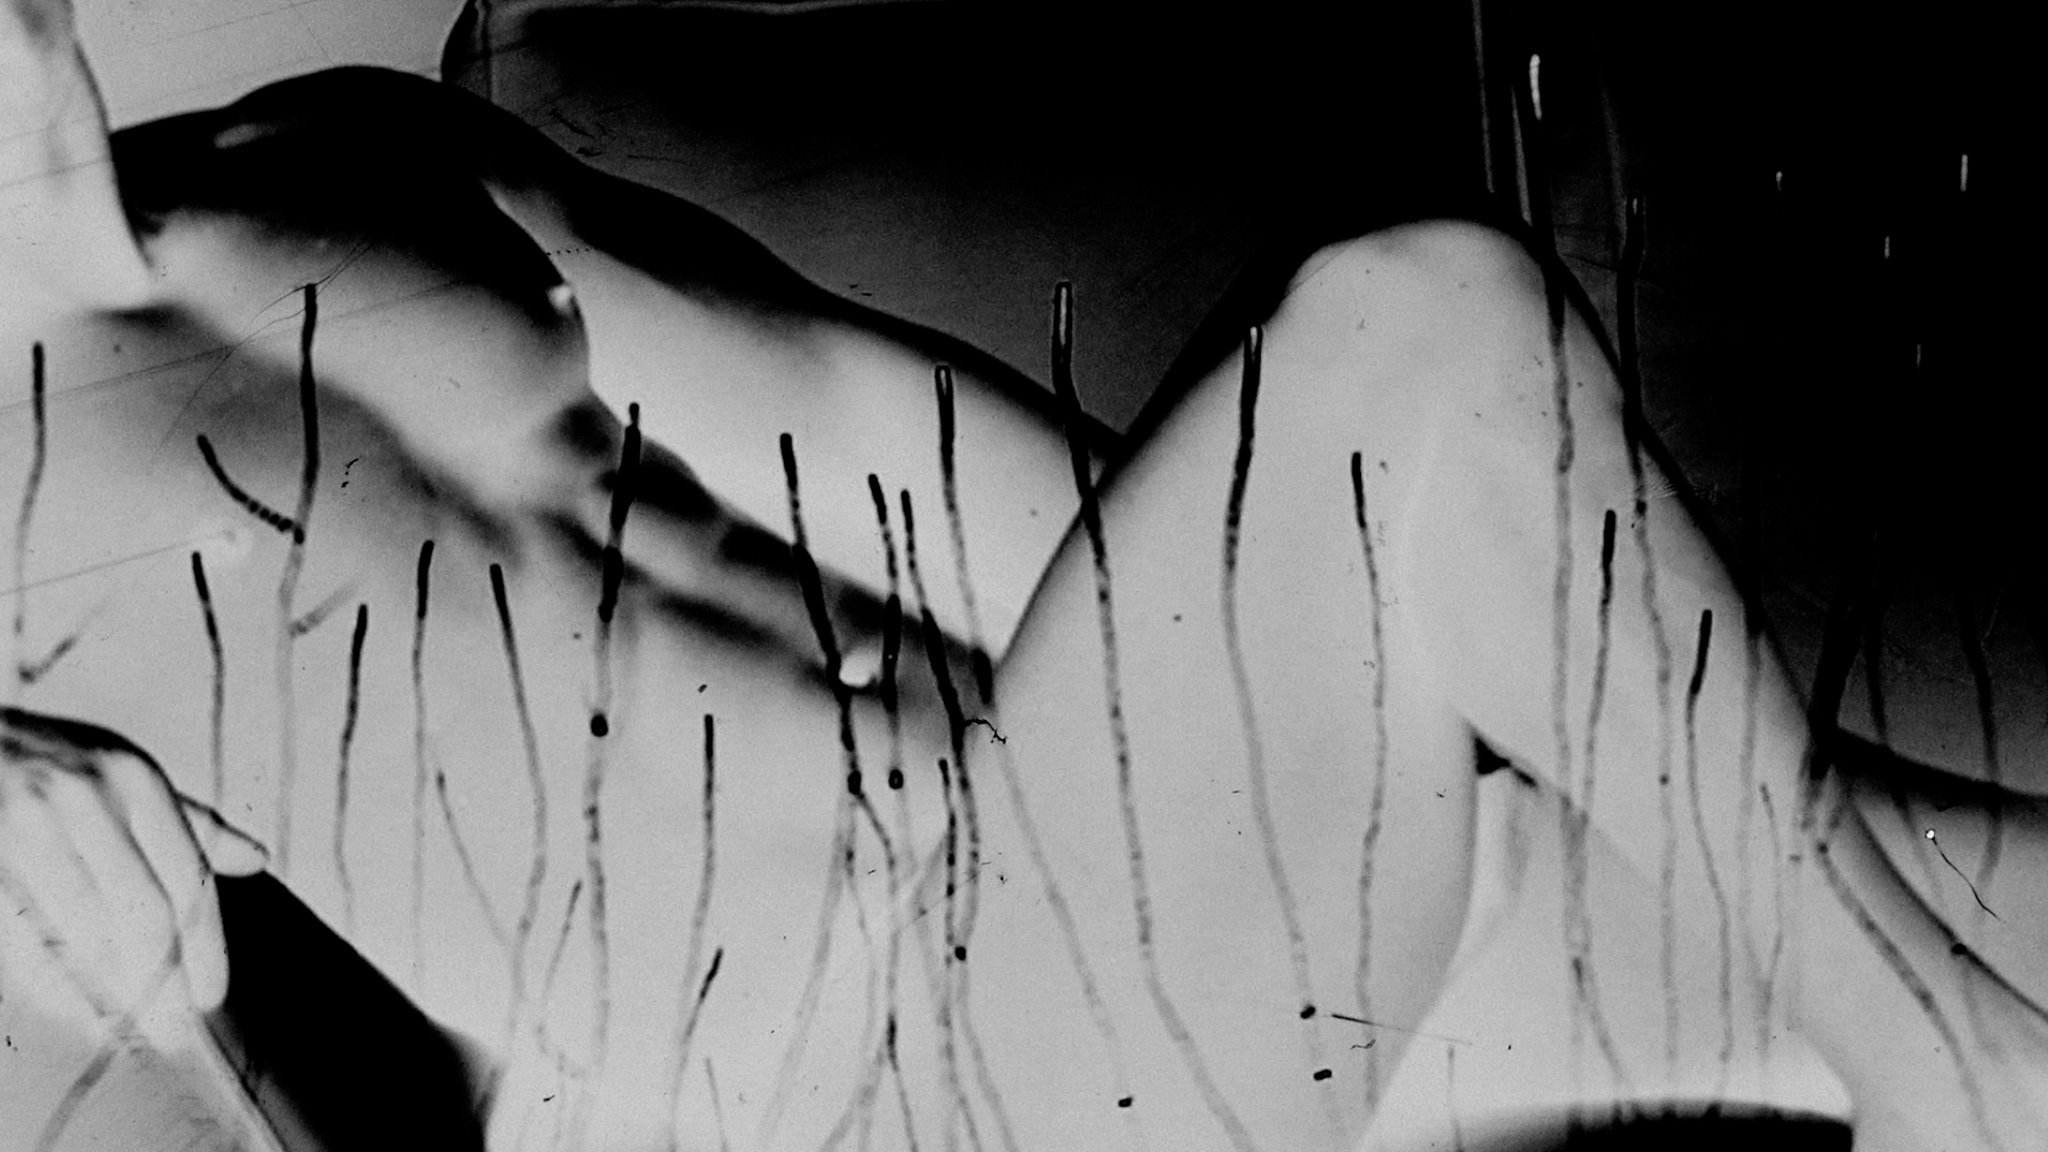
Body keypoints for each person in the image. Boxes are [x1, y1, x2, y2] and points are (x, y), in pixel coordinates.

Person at [2, 1, 2043, 1149]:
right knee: (1414, 319)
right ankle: (1946, 1070)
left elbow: (872, 427)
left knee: (1989, 883)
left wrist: (1371, 663)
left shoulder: (340, 152)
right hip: (894, 1095)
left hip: (1110, 887)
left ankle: (1906, 1005)